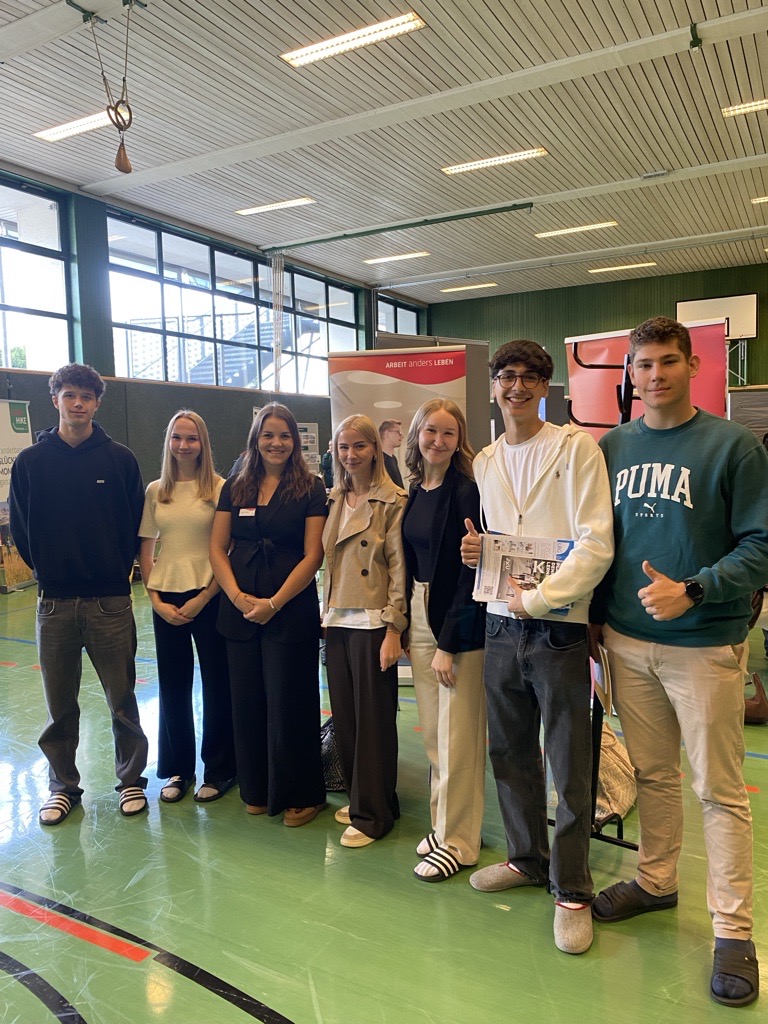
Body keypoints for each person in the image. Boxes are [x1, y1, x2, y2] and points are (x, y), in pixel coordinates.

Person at [589, 316, 768, 1007]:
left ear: (693, 366)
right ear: (630, 375)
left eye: (668, 361)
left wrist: (695, 588)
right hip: (627, 642)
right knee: (655, 775)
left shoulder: (734, 445)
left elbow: (761, 545)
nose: (655, 374)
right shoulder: (612, 447)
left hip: (705, 643)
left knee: (718, 790)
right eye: (643, 364)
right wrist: (594, 622)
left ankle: (733, 930)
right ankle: (656, 881)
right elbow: (598, 542)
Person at [461, 340, 613, 955]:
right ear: (494, 386)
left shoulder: (577, 449)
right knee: (509, 750)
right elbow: (503, 543)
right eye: (506, 376)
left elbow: (595, 544)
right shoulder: (485, 461)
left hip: (557, 628)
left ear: (545, 387)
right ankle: (526, 858)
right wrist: (479, 552)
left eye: (529, 377)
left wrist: (543, 599)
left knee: (568, 762)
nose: (517, 386)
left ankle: (571, 887)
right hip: (500, 625)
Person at [8, 362, 149, 825]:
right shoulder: (31, 462)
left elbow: (134, 523)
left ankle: (131, 781)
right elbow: (22, 529)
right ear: (55, 400)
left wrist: (113, 572)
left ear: (97, 404)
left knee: (122, 701)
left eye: (86, 397)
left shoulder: (120, 459)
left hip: (110, 602)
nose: (78, 404)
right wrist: (48, 570)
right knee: (59, 706)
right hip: (54, 603)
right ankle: (62, 787)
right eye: (69, 395)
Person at [209, 403, 327, 826]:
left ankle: (302, 793)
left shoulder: (310, 487)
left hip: (289, 609)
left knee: (289, 700)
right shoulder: (235, 486)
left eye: (284, 435)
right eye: (268, 435)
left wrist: (274, 602)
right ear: (255, 440)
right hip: (239, 610)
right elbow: (217, 547)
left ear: (295, 441)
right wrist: (237, 597)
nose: (276, 443)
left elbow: (313, 554)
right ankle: (256, 787)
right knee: (246, 701)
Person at [401, 399, 486, 881]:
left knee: (458, 737)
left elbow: (470, 574)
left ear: (459, 441)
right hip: (419, 608)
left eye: (448, 433)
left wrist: (449, 643)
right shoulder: (417, 490)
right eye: (430, 431)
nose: (438, 440)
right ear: (417, 434)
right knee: (435, 734)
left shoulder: (466, 491)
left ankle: (459, 841)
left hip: (455, 621)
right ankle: (443, 825)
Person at [139, 410, 236, 805]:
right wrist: (156, 600)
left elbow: (226, 547)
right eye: (177, 437)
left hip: (209, 596)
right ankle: (179, 768)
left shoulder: (220, 488)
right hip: (166, 598)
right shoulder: (155, 491)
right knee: (173, 685)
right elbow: (146, 548)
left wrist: (205, 596)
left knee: (218, 683)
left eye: (191, 438)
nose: (184, 445)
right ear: (168, 442)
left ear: (203, 443)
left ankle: (220, 769)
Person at [323, 414, 407, 847]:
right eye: (343, 447)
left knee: (373, 721)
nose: (350, 454)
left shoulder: (392, 500)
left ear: (375, 449)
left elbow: (398, 568)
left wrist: (394, 628)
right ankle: (369, 798)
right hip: (336, 619)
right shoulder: (335, 498)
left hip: (372, 621)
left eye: (359, 446)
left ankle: (373, 817)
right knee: (348, 720)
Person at [379, 419, 404, 487]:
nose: (402, 436)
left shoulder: (393, 459)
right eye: (398, 432)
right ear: (387, 434)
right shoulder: (378, 460)